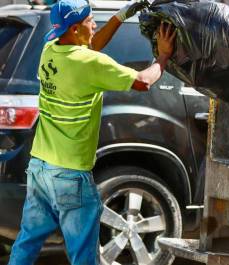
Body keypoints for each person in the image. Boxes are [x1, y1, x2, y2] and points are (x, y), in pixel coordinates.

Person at [7, 0, 176, 264]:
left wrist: (119, 17)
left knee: (28, 241)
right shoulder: (90, 63)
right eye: (90, 21)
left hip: (40, 167)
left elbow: (91, 45)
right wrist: (163, 56)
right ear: (75, 30)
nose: (95, 25)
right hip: (70, 174)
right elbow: (143, 81)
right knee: (83, 254)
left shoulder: (50, 50)